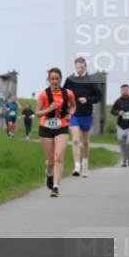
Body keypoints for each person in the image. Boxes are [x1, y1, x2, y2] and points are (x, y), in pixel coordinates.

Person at [36, 68, 76, 197]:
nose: (54, 81)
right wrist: (49, 109)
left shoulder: (68, 93)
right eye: (52, 79)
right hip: (46, 127)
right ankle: (49, 174)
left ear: (61, 79)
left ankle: (56, 186)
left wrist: (70, 114)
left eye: (57, 78)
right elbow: (37, 113)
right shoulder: (43, 94)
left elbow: (73, 106)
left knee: (59, 157)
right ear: (48, 80)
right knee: (51, 160)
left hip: (62, 126)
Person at [64, 57, 103, 177]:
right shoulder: (70, 80)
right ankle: (77, 166)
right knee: (75, 140)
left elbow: (99, 96)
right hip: (74, 114)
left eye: (82, 67)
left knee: (85, 141)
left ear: (85, 67)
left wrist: (87, 99)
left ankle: (85, 164)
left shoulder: (91, 80)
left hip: (86, 115)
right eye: (78, 67)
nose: (80, 69)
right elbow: (64, 94)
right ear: (75, 67)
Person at [110, 84, 129, 167]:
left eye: (127, 89)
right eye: (123, 89)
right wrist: (118, 113)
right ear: (121, 91)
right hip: (120, 125)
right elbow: (112, 111)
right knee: (122, 143)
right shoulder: (118, 101)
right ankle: (124, 160)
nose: (125, 90)